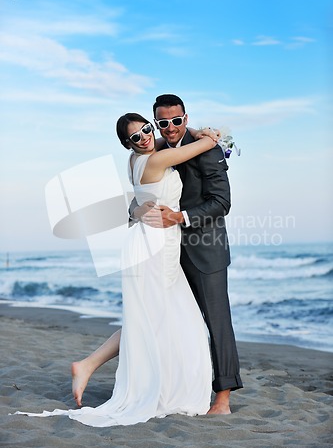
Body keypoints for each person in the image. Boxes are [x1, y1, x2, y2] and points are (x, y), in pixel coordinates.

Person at [15, 113, 217, 427]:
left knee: (150, 318)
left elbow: (154, 166)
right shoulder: (154, 161)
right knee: (159, 318)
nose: (146, 137)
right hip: (155, 246)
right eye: (136, 137)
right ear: (127, 144)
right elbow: (199, 146)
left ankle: (88, 365)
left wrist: (136, 209)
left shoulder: (137, 161)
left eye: (147, 130)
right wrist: (209, 133)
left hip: (147, 242)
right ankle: (90, 365)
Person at [72, 94, 243, 415]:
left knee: (215, 322)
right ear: (156, 122)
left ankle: (222, 400)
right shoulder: (156, 150)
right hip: (165, 250)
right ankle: (159, 382)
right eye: (163, 123)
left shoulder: (204, 147)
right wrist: (137, 209)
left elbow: (222, 202)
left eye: (176, 121)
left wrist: (179, 217)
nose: (170, 128)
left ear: (185, 117)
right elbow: (138, 196)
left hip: (204, 249)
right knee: (159, 318)